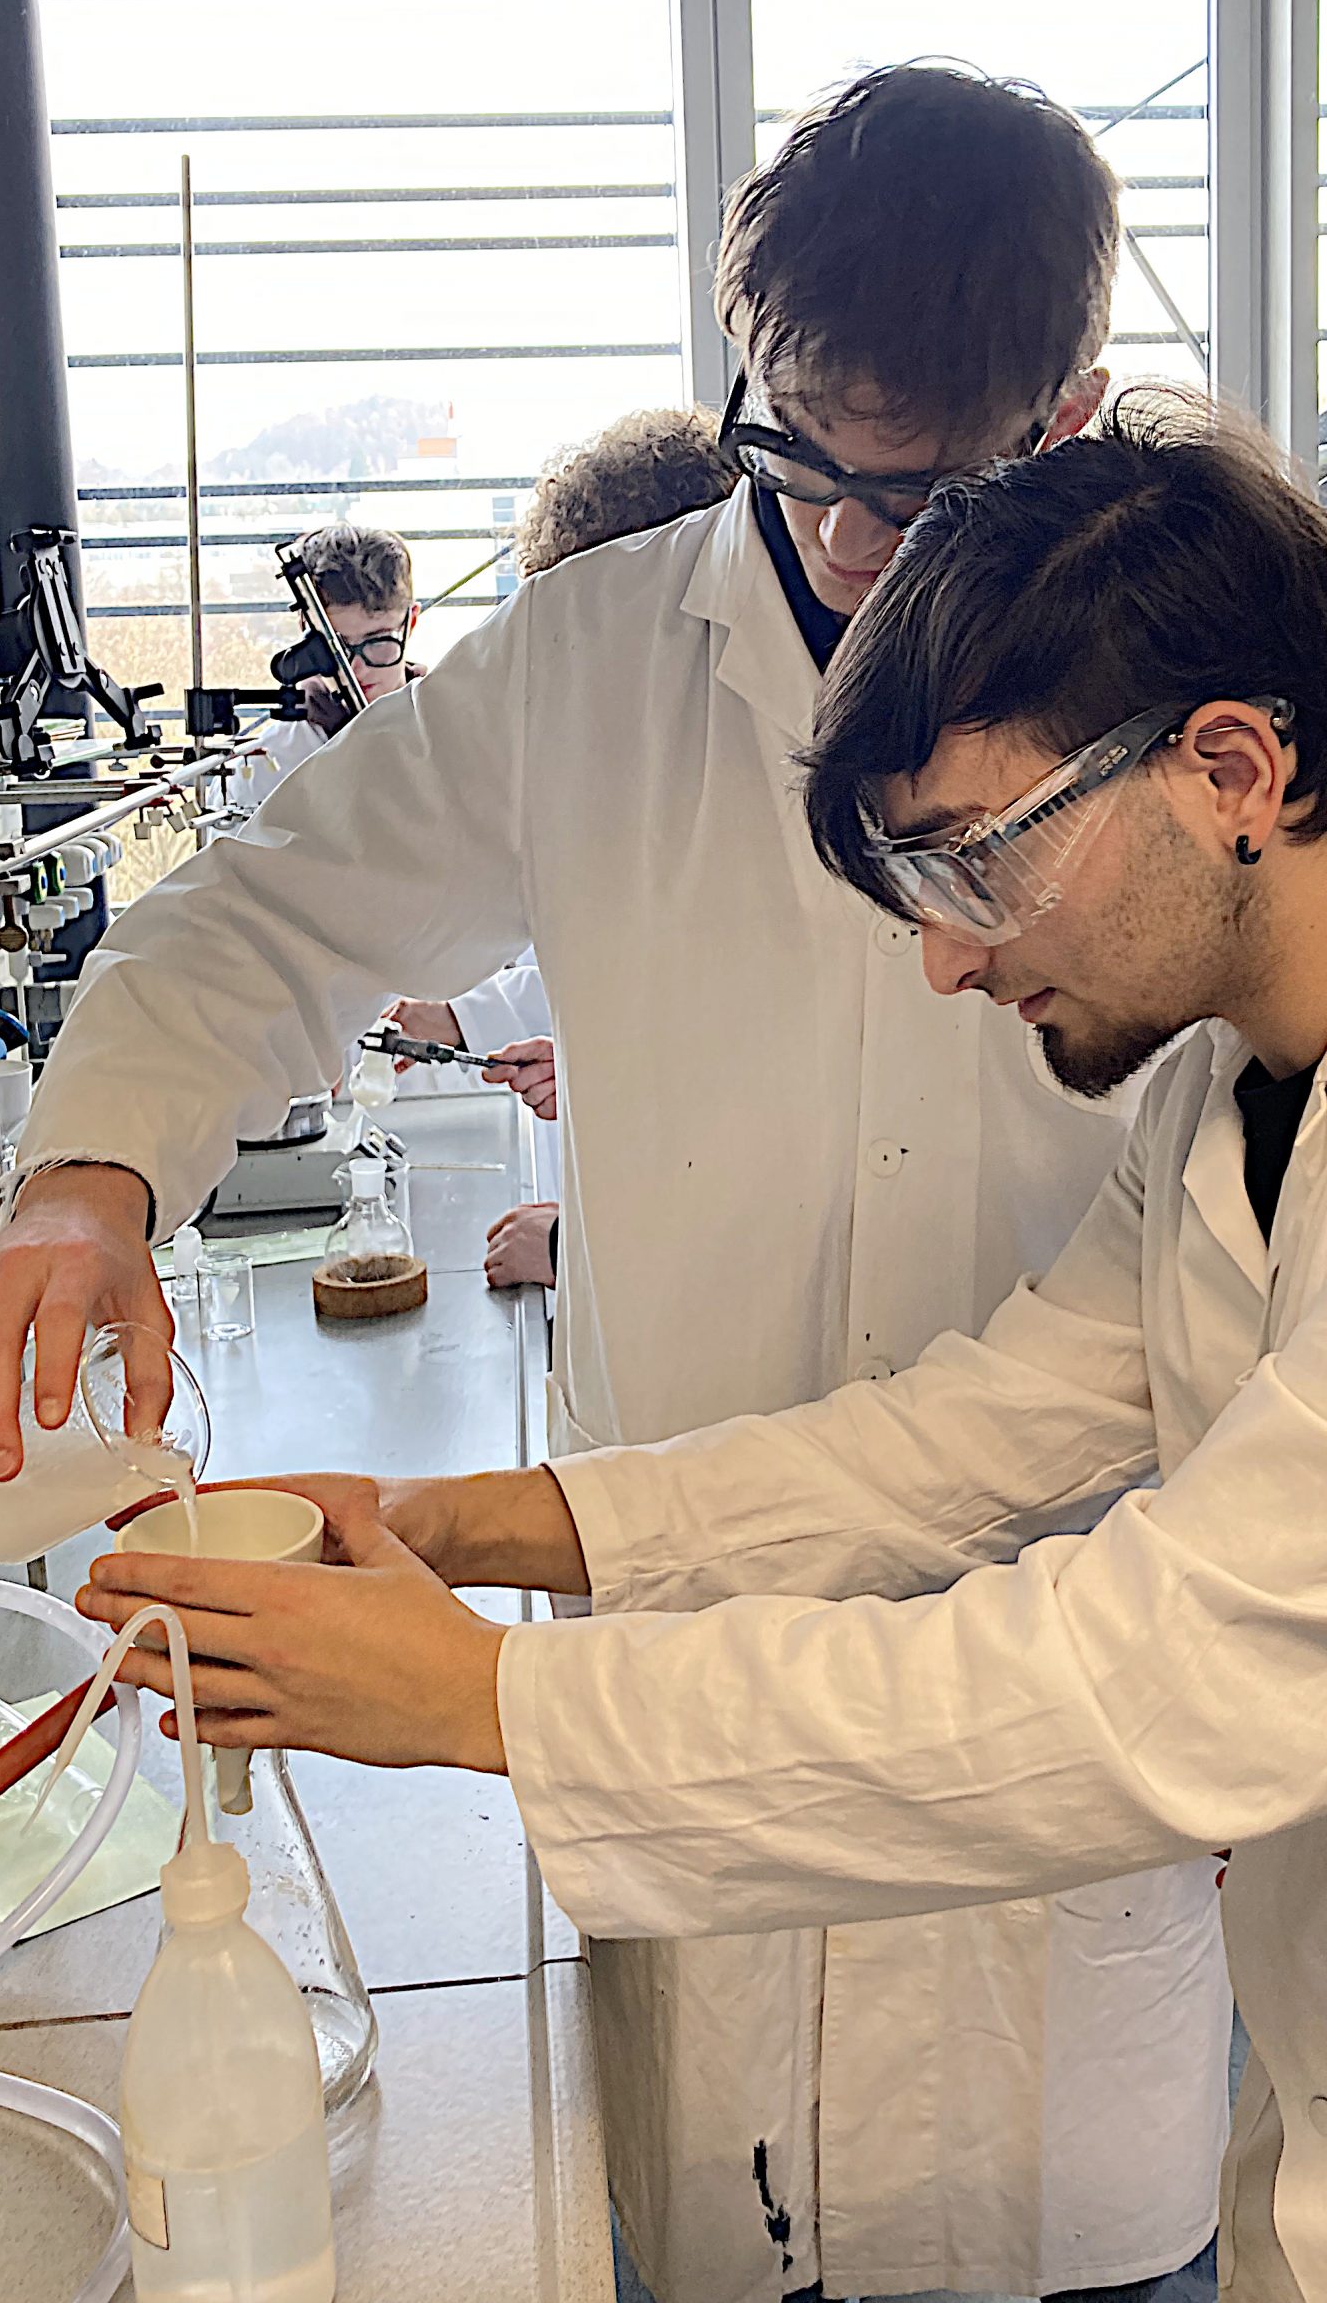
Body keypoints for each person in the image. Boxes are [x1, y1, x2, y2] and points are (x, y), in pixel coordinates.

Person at [0, 69, 1227, 2303]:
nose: (847, 543)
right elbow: (270, 915)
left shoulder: (1184, 718)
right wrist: (85, 1182)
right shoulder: (597, 661)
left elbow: (1093, 1386)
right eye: (797, 456)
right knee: (701, 2221)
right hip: (692, 1681)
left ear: (1074, 421)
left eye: (925, 491)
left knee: (1091, 2242)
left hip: (1069, 1685)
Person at [79, 386, 1327, 2303]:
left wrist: (487, 1703)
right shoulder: (1214, 1098)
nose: (946, 956)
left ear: (1230, 768)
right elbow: (969, 1435)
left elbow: (1159, 1671)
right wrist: (467, 1527)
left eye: (977, 862)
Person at [387, 406, 737, 1294]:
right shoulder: (650, 754)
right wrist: (578, 1065)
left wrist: (575, 1246)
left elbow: (788, 1124)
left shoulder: (782, 779)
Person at [226, 521, 420, 816]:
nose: (355, 668)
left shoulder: (454, 730)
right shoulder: (264, 769)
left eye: (378, 641)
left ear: (411, 622)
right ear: (305, 627)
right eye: (336, 646)